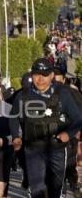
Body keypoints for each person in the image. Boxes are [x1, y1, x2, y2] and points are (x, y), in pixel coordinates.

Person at [10, 58, 82, 198]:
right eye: (37, 74)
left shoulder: (63, 94)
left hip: (57, 148)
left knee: (55, 190)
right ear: (32, 75)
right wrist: (15, 137)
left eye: (45, 75)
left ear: (51, 76)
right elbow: (13, 117)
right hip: (33, 149)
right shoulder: (22, 95)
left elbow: (78, 119)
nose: (40, 79)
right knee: (37, 190)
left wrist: (68, 133)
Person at [53, 63, 82, 198]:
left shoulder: (73, 94)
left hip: (70, 136)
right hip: (51, 136)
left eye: (58, 81)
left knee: (69, 163)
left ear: (64, 80)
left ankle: (73, 184)